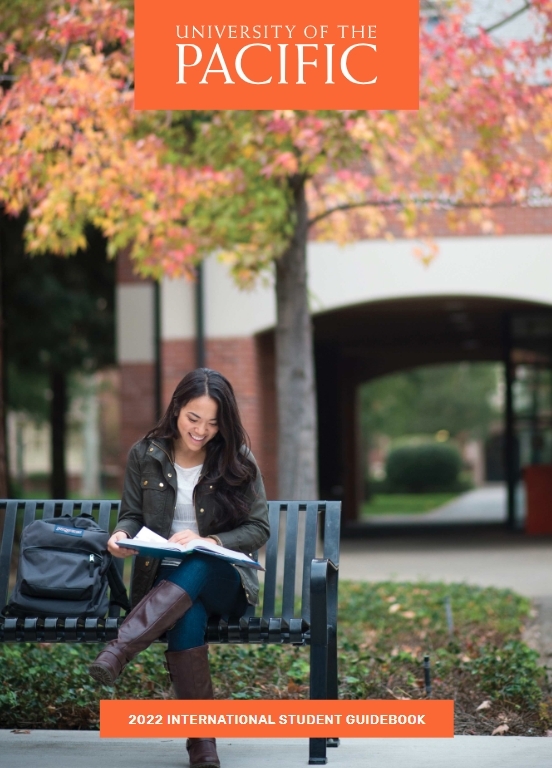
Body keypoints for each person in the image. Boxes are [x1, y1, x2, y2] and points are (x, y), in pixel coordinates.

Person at [89, 368, 270, 768]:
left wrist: (213, 541)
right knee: (188, 616)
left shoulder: (237, 458)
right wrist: (120, 536)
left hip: (225, 582)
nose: (201, 430)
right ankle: (202, 744)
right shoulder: (146, 453)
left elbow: (259, 527)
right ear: (176, 410)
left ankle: (120, 649)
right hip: (165, 585)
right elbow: (132, 514)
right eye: (193, 418)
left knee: (201, 559)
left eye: (212, 422)